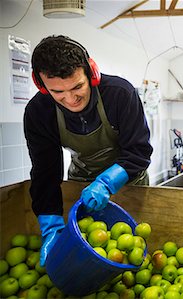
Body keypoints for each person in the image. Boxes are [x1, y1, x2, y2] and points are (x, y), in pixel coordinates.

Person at [24, 35, 153, 266]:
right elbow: (45, 172)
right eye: (58, 92)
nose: (71, 99)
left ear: (92, 73)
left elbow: (138, 152)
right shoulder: (38, 112)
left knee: (131, 250)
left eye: (77, 87)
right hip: (82, 182)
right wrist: (51, 227)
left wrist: (106, 183)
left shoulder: (120, 95)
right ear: (42, 86)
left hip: (130, 181)